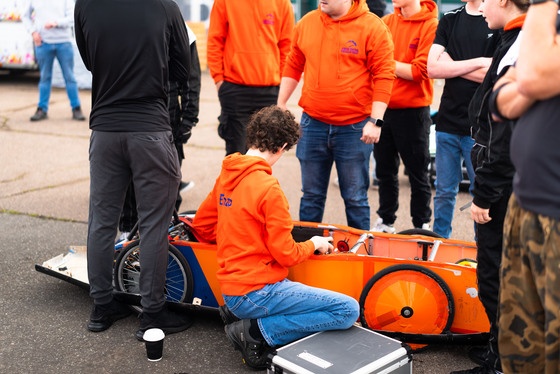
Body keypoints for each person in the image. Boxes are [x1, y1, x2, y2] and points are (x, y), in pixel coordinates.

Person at [192, 106, 360, 370]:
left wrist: (237, 237)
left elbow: (202, 225)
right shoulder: (269, 189)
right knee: (347, 310)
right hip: (257, 290)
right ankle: (257, 333)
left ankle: (238, 314)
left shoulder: (227, 174)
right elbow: (287, 254)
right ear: (282, 146)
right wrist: (314, 243)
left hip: (230, 289)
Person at [74, 0, 193, 339]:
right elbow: (182, 69)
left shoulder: (85, 5)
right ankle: (153, 314)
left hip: (105, 130)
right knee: (154, 222)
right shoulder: (164, 6)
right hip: (149, 129)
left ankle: (101, 306)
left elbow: (90, 61)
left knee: (102, 220)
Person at [455, 0, 529, 372]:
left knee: (496, 274)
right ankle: (500, 350)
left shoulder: (521, 45)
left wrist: (484, 193)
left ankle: (503, 363)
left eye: (485, 0)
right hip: (520, 176)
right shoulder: (519, 37)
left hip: (506, 180)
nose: (479, 7)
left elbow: (505, 130)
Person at [278, 0, 395, 231]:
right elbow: (294, 63)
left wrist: (376, 121)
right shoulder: (307, 23)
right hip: (312, 125)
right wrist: (281, 102)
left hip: (354, 129)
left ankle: (361, 255)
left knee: (355, 199)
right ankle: (307, 253)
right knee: (310, 197)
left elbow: (384, 74)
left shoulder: (372, 27)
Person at [491, 2, 560, 372]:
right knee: (522, 342)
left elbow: (527, 80)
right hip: (528, 204)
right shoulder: (548, 30)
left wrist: (543, 5)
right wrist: (530, 79)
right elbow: (497, 101)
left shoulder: (545, 17)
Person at [117, 24, 201, 242]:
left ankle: (167, 232)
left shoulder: (180, 26)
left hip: (169, 116)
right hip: (132, 110)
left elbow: (191, 77)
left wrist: (189, 117)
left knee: (168, 179)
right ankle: (128, 230)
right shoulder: (129, 18)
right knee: (130, 175)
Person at [427, 0, 499, 239]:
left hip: (478, 128)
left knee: (481, 196)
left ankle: (483, 252)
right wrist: (479, 62)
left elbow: (497, 75)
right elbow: (433, 69)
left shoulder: (496, 21)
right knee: (443, 192)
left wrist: (453, 65)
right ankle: (439, 244)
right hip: (447, 123)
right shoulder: (449, 19)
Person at [370, 0, 438, 233]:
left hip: (414, 111)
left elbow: (419, 71)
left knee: (418, 172)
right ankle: (386, 221)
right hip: (383, 108)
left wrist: (383, 64)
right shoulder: (386, 22)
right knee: (384, 171)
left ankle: (421, 224)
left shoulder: (431, 25)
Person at [207, 0, 295, 156]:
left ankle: (258, 182)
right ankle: (235, 182)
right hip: (235, 88)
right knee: (236, 153)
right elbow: (215, 40)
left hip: (270, 90)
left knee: (265, 154)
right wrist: (219, 80)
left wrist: (280, 80)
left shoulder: (282, 3)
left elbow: (287, 45)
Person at [22, 0, 85, 122]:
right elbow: (25, 16)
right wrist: (33, 32)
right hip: (43, 43)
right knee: (45, 77)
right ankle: (42, 109)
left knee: (70, 77)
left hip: (64, 43)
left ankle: (76, 108)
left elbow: (73, 16)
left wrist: (56, 23)